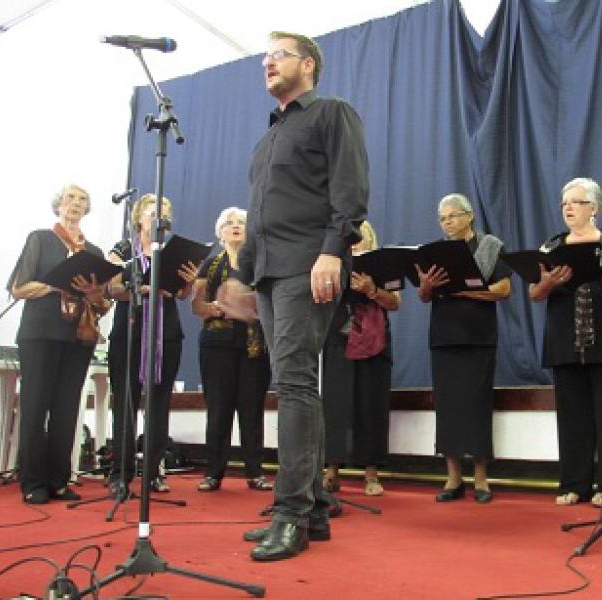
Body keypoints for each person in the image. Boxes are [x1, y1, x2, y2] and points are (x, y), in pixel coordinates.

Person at [222, 31, 369, 561]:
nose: (267, 63)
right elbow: (258, 215)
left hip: (308, 265)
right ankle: (315, 509)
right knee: (293, 384)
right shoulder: (268, 138)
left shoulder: (332, 113)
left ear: (307, 64)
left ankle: (291, 514)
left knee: (295, 385)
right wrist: (240, 276)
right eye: (265, 57)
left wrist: (332, 252)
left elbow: (350, 189)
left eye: (278, 55)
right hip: (268, 271)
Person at [529, 178, 602, 507]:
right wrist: (549, 282)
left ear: (594, 208)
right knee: (572, 417)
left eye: (576, 202)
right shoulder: (551, 246)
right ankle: (574, 484)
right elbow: (534, 293)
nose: (568, 208)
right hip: (565, 339)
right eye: (564, 203)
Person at [7, 184, 110, 504]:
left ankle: (59, 480)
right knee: (35, 406)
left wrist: (94, 294)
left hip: (78, 337)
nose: (76, 203)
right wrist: (56, 284)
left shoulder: (94, 252)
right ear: (58, 205)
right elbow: (19, 288)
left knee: (67, 408)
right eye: (70, 198)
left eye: (82, 199)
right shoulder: (40, 239)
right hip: (40, 333)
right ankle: (33, 481)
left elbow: (103, 304)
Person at [416, 193, 512, 504]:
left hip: (478, 337)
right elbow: (424, 296)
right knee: (448, 408)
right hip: (444, 338)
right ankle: (453, 478)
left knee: (477, 406)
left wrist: (466, 292)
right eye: (442, 218)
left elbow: (504, 289)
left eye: (453, 216)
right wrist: (427, 287)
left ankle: (481, 479)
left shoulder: (490, 246)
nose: (447, 223)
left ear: (469, 216)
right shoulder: (434, 253)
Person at [106, 194, 198, 495]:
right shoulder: (123, 250)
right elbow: (110, 289)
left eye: (165, 212)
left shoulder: (171, 253)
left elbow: (182, 294)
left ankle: (154, 471)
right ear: (139, 216)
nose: (161, 216)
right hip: (129, 332)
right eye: (154, 210)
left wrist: (189, 281)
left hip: (166, 333)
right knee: (126, 401)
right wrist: (140, 288)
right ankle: (120, 474)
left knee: (159, 403)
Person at [191, 207, 272, 492]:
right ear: (220, 232)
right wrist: (217, 308)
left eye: (241, 222)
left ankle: (255, 471)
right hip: (217, 345)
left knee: (252, 409)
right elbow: (197, 306)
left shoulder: (261, 262)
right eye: (229, 222)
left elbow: (271, 301)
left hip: (254, 345)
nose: (236, 226)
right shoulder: (210, 265)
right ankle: (213, 472)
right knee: (218, 409)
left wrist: (248, 306)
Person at [322, 221, 399, 497]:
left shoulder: (384, 264)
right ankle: (331, 471)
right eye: (351, 238)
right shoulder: (331, 263)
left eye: (361, 235)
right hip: (337, 340)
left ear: (370, 238)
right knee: (335, 406)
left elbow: (395, 302)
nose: (355, 241)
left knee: (371, 405)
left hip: (374, 342)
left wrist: (371, 290)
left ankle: (371, 474)